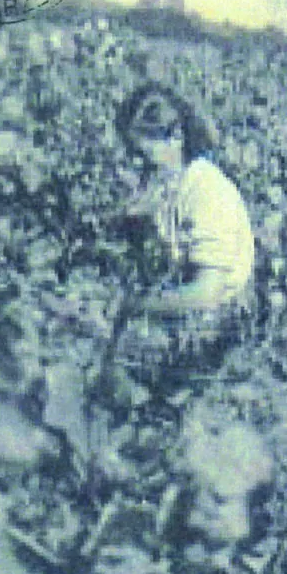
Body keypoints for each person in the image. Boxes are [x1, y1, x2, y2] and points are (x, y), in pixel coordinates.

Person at [114, 83, 255, 374]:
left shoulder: (206, 190)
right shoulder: (167, 179)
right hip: (181, 295)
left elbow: (207, 292)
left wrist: (136, 305)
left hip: (218, 319)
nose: (136, 163)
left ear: (176, 137)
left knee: (113, 352)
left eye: (143, 153)